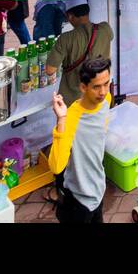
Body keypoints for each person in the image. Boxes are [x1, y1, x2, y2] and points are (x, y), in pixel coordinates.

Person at [47, 57, 114, 224]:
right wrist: (61, 119)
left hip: (98, 192)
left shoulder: (106, 100)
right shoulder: (71, 118)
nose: (103, 92)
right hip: (78, 201)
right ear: (83, 87)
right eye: (96, 87)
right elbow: (56, 166)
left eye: (106, 84)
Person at [46, 3, 114, 105]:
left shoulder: (65, 38)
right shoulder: (105, 28)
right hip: (100, 94)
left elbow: (50, 70)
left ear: (69, 16)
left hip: (74, 99)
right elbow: (111, 37)